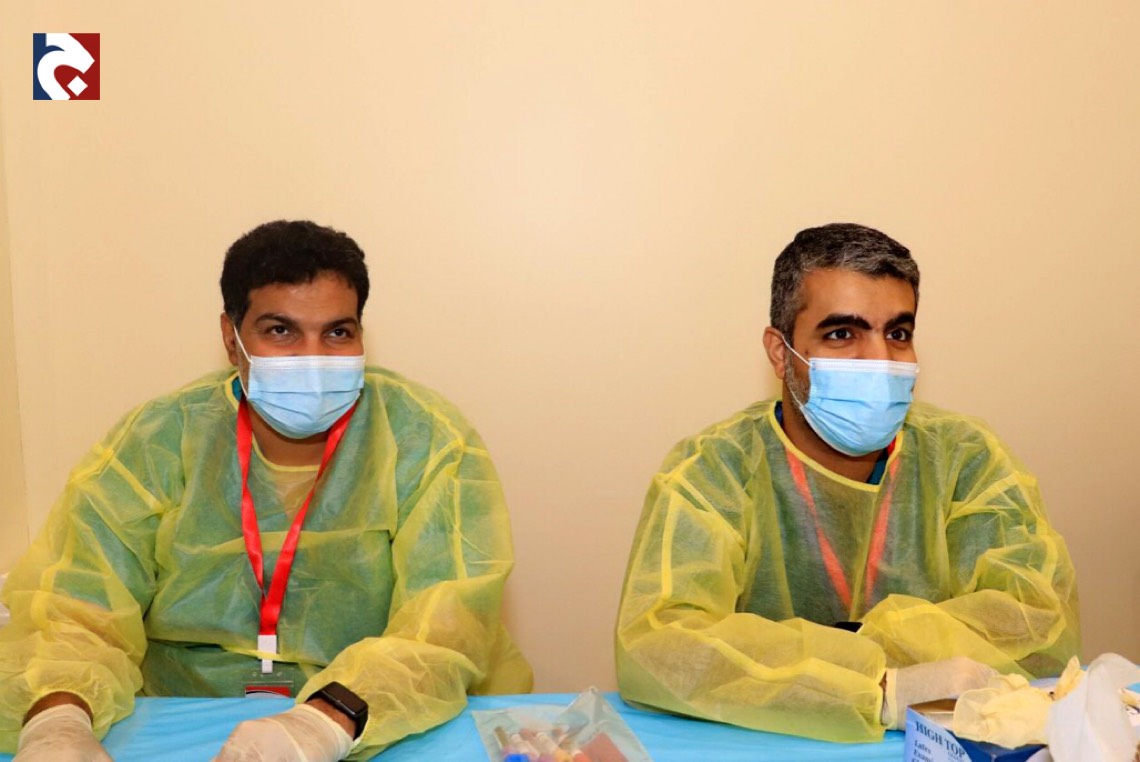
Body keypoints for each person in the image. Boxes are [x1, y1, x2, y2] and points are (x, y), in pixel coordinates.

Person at [0, 220, 532, 761]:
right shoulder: (159, 440)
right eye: (280, 331)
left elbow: (443, 627)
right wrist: (58, 721)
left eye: (337, 333)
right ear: (231, 338)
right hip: (178, 712)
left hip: (374, 717)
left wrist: (318, 727)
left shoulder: (425, 438)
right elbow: (76, 612)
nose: (312, 358)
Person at [614, 223, 1080, 742]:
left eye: (898, 334)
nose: (879, 359)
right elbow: (658, 644)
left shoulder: (965, 458)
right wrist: (877, 688)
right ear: (781, 352)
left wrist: (835, 654)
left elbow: (1040, 623)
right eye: (842, 334)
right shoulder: (715, 470)